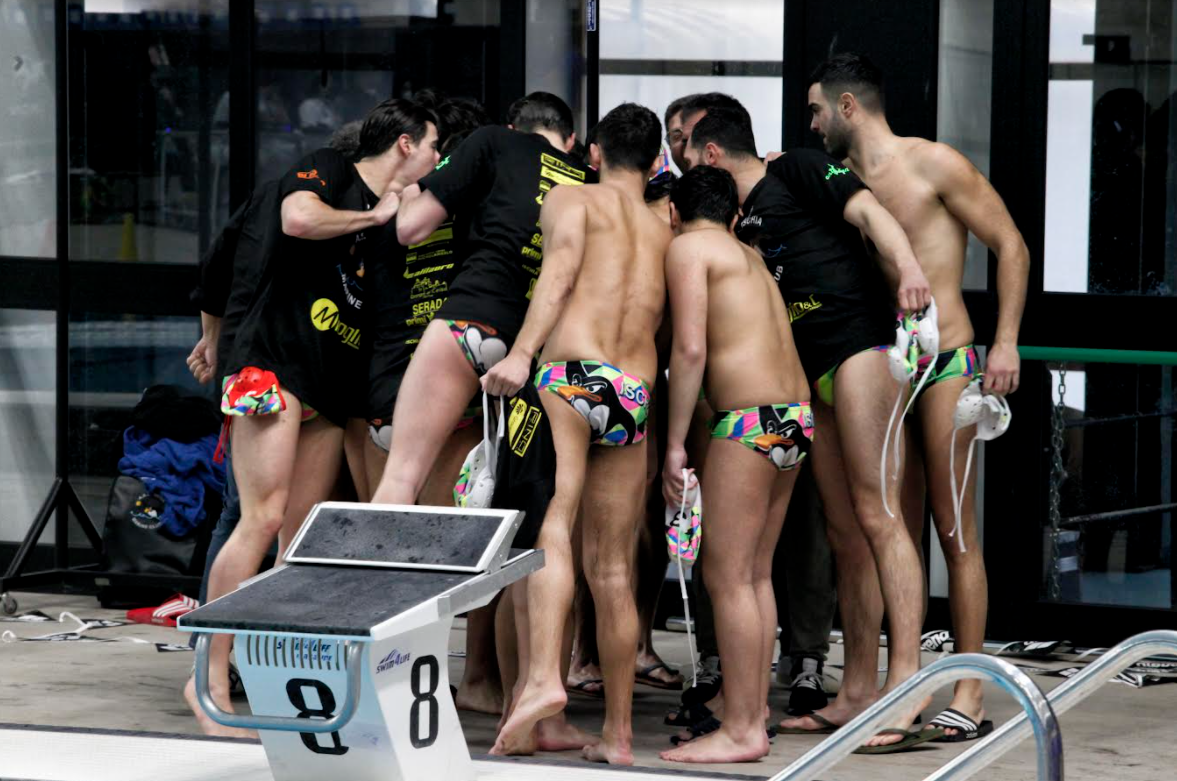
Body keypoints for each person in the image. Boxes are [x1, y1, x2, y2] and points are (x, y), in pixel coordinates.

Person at [182, 99, 440, 737]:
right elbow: (294, 220)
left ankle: (275, 674)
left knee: (299, 542)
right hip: (272, 365)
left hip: (329, 385)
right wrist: (374, 215)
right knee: (260, 519)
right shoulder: (330, 168)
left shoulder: (401, 216)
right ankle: (207, 681)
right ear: (405, 144)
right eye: (434, 145)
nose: (439, 159)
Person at [685, 107, 938, 752]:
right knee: (844, 531)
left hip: (858, 346)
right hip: (808, 371)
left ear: (712, 154)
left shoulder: (795, 167)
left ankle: (908, 683)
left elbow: (870, 213)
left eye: (688, 153)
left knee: (880, 516)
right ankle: (856, 689)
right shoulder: (736, 222)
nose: (685, 168)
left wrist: (910, 269)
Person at [806, 53, 1028, 741]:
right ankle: (901, 684)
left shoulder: (933, 163)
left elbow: (1010, 245)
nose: (811, 124)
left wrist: (1006, 342)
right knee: (892, 531)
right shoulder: (839, 183)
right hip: (884, 370)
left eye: (816, 110)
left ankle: (970, 689)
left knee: (954, 529)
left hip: (949, 359)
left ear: (847, 107)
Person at [482, 103, 670, 766]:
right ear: (656, 161)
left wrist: (519, 353)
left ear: (592, 153)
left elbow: (558, 275)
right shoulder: (662, 229)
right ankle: (618, 734)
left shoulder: (572, 198)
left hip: (571, 373)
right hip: (633, 391)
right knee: (613, 568)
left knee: (550, 529)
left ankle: (542, 679)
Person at [656, 165, 811, 763]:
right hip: (794, 418)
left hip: (748, 422)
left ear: (675, 212)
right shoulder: (749, 255)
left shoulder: (689, 248)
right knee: (755, 576)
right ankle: (753, 712)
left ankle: (743, 729)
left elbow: (690, 348)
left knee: (725, 578)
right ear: (735, 212)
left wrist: (675, 443)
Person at [371, 92, 592, 506]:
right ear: (570, 140)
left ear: (513, 129)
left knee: (403, 477)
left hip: (473, 317)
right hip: (532, 349)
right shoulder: (587, 182)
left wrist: (410, 192)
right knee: (496, 499)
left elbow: (411, 229)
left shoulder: (493, 141)